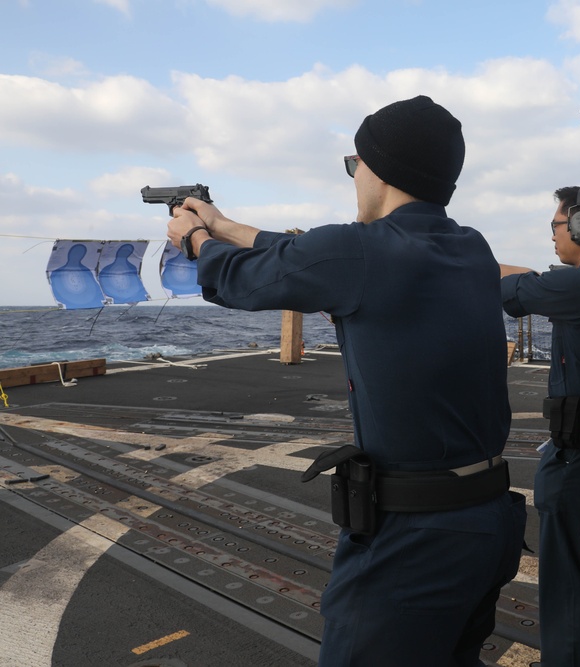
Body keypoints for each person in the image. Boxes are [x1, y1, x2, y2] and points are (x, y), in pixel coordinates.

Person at [165, 95, 527, 667]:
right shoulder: (470, 247)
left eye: (353, 166)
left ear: (373, 168)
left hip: (412, 542)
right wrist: (220, 222)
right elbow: (298, 251)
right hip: (486, 525)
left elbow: (239, 281)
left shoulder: (358, 250)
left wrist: (192, 239)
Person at [499, 182, 580, 667]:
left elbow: (505, 287)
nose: (552, 234)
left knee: (570, 586)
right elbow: (531, 277)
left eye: (556, 224)